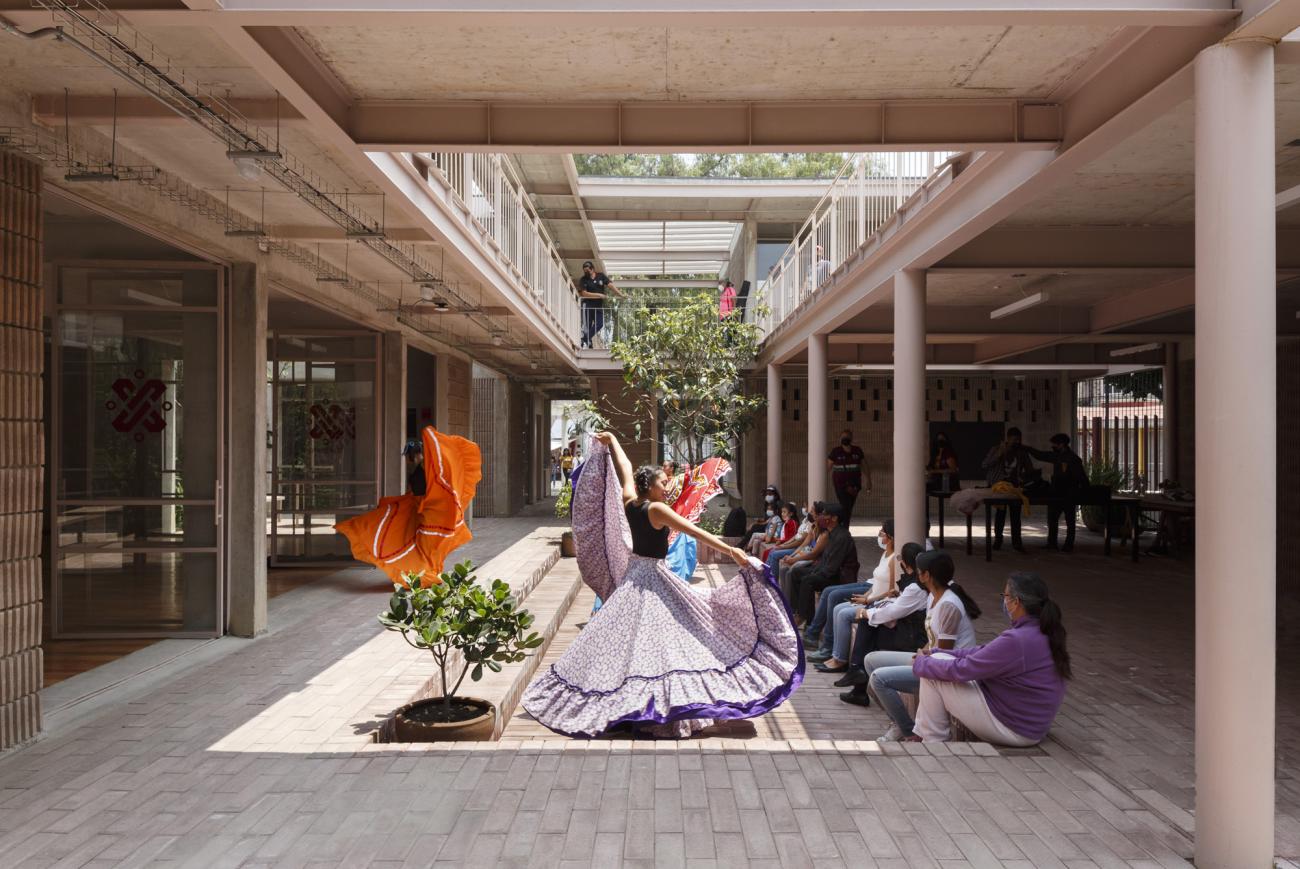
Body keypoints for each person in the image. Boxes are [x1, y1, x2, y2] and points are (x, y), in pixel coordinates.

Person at [521, 432, 802, 737]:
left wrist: (614, 440)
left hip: (634, 578)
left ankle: (641, 704)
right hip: (653, 579)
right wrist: (732, 551)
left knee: (643, 646)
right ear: (650, 486)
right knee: (671, 641)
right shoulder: (657, 509)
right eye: (663, 483)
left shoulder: (630, 501)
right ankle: (656, 706)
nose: (667, 487)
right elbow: (693, 531)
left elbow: (625, 468)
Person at [912, 572, 1070, 745]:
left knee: (932, 673)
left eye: (1006, 596)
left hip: (1015, 729)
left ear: (1016, 602)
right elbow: (982, 652)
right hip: (1027, 724)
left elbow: (963, 670)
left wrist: (921, 663)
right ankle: (925, 735)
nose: (1004, 601)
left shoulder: (1019, 640)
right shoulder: (1040, 631)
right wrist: (935, 654)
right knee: (937, 659)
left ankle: (933, 742)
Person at [863, 549, 981, 740]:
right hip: (930, 660)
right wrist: (921, 654)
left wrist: (920, 660)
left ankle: (907, 729)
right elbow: (933, 641)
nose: (915, 574)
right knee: (870, 660)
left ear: (926, 575)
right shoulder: (933, 596)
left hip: (945, 671)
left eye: (918, 571)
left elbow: (944, 653)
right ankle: (901, 724)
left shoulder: (949, 604)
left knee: (879, 679)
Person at [835, 542, 928, 706]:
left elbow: (894, 612)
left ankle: (857, 674)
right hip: (908, 631)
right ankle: (857, 680)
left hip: (913, 639)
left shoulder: (916, 588)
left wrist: (866, 612)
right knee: (869, 624)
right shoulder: (914, 585)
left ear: (905, 563)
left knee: (868, 623)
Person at [809, 520, 897, 670]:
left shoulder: (894, 559)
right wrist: (865, 596)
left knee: (844, 614)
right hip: (870, 598)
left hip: (878, 603)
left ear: (890, 537)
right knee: (838, 608)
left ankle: (840, 659)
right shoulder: (885, 554)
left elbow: (891, 592)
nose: (880, 536)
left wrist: (869, 599)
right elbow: (876, 583)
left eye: (882, 533)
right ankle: (833, 653)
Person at [787, 505, 856, 625]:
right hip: (826, 569)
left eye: (825, 515)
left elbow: (832, 568)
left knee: (808, 581)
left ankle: (806, 618)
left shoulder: (842, 537)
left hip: (838, 576)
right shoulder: (831, 533)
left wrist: (814, 572)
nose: (821, 517)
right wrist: (814, 570)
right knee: (796, 572)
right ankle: (797, 611)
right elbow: (825, 560)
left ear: (834, 518)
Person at [1026, 433, 1088, 552]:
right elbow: (1040, 455)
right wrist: (1027, 448)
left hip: (1068, 494)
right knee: (1052, 519)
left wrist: (1086, 492)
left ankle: (1067, 545)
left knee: (1069, 520)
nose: (1052, 447)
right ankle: (1053, 543)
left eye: (1054, 444)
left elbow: (1081, 477)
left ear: (1061, 444)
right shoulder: (1058, 456)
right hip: (1056, 493)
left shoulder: (1073, 459)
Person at [981, 427, 1035, 552]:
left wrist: (1024, 479)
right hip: (999, 487)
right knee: (1000, 514)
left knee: (1016, 516)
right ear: (1008, 438)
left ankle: (1017, 543)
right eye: (1014, 439)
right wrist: (1000, 453)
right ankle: (998, 540)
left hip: (1015, 488)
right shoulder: (996, 449)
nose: (1017, 442)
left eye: (1019, 440)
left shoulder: (1021, 453)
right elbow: (985, 464)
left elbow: (1029, 469)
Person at [827, 429, 869, 528]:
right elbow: (827, 467)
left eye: (847, 437)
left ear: (851, 438)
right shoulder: (836, 452)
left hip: (855, 485)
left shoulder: (857, 451)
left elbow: (864, 466)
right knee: (845, 507)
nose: (845, 439)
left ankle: (843, 526)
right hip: (841, 486)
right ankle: (844, 528)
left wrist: (869, 480)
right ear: (840, 439)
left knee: (848, 507)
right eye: (843, 437)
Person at [577, 260, 622, 349]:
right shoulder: (583, 279)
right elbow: (584, 294)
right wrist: (599, 295)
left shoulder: (601, 276)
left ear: (592, 269)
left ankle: (585, 339)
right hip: (587, 305)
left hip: (598, 306)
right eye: (584, 271)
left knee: (600, 324)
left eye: (587, 270)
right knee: (587, 326)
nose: (586, 272)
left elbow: (611, 286)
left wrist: (620, 295)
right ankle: (588, 342)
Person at [765, 501, 815, 578]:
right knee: (772, 551)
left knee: (774, 554)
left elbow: (800, 541)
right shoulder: (805, 520)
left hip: (798, 549)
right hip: (796, 548)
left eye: (806, 508)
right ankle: (766, 573)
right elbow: (795, 537)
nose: (804, 509)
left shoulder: (808, 525)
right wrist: (783, 545)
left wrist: (784, 547)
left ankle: (772, 579)